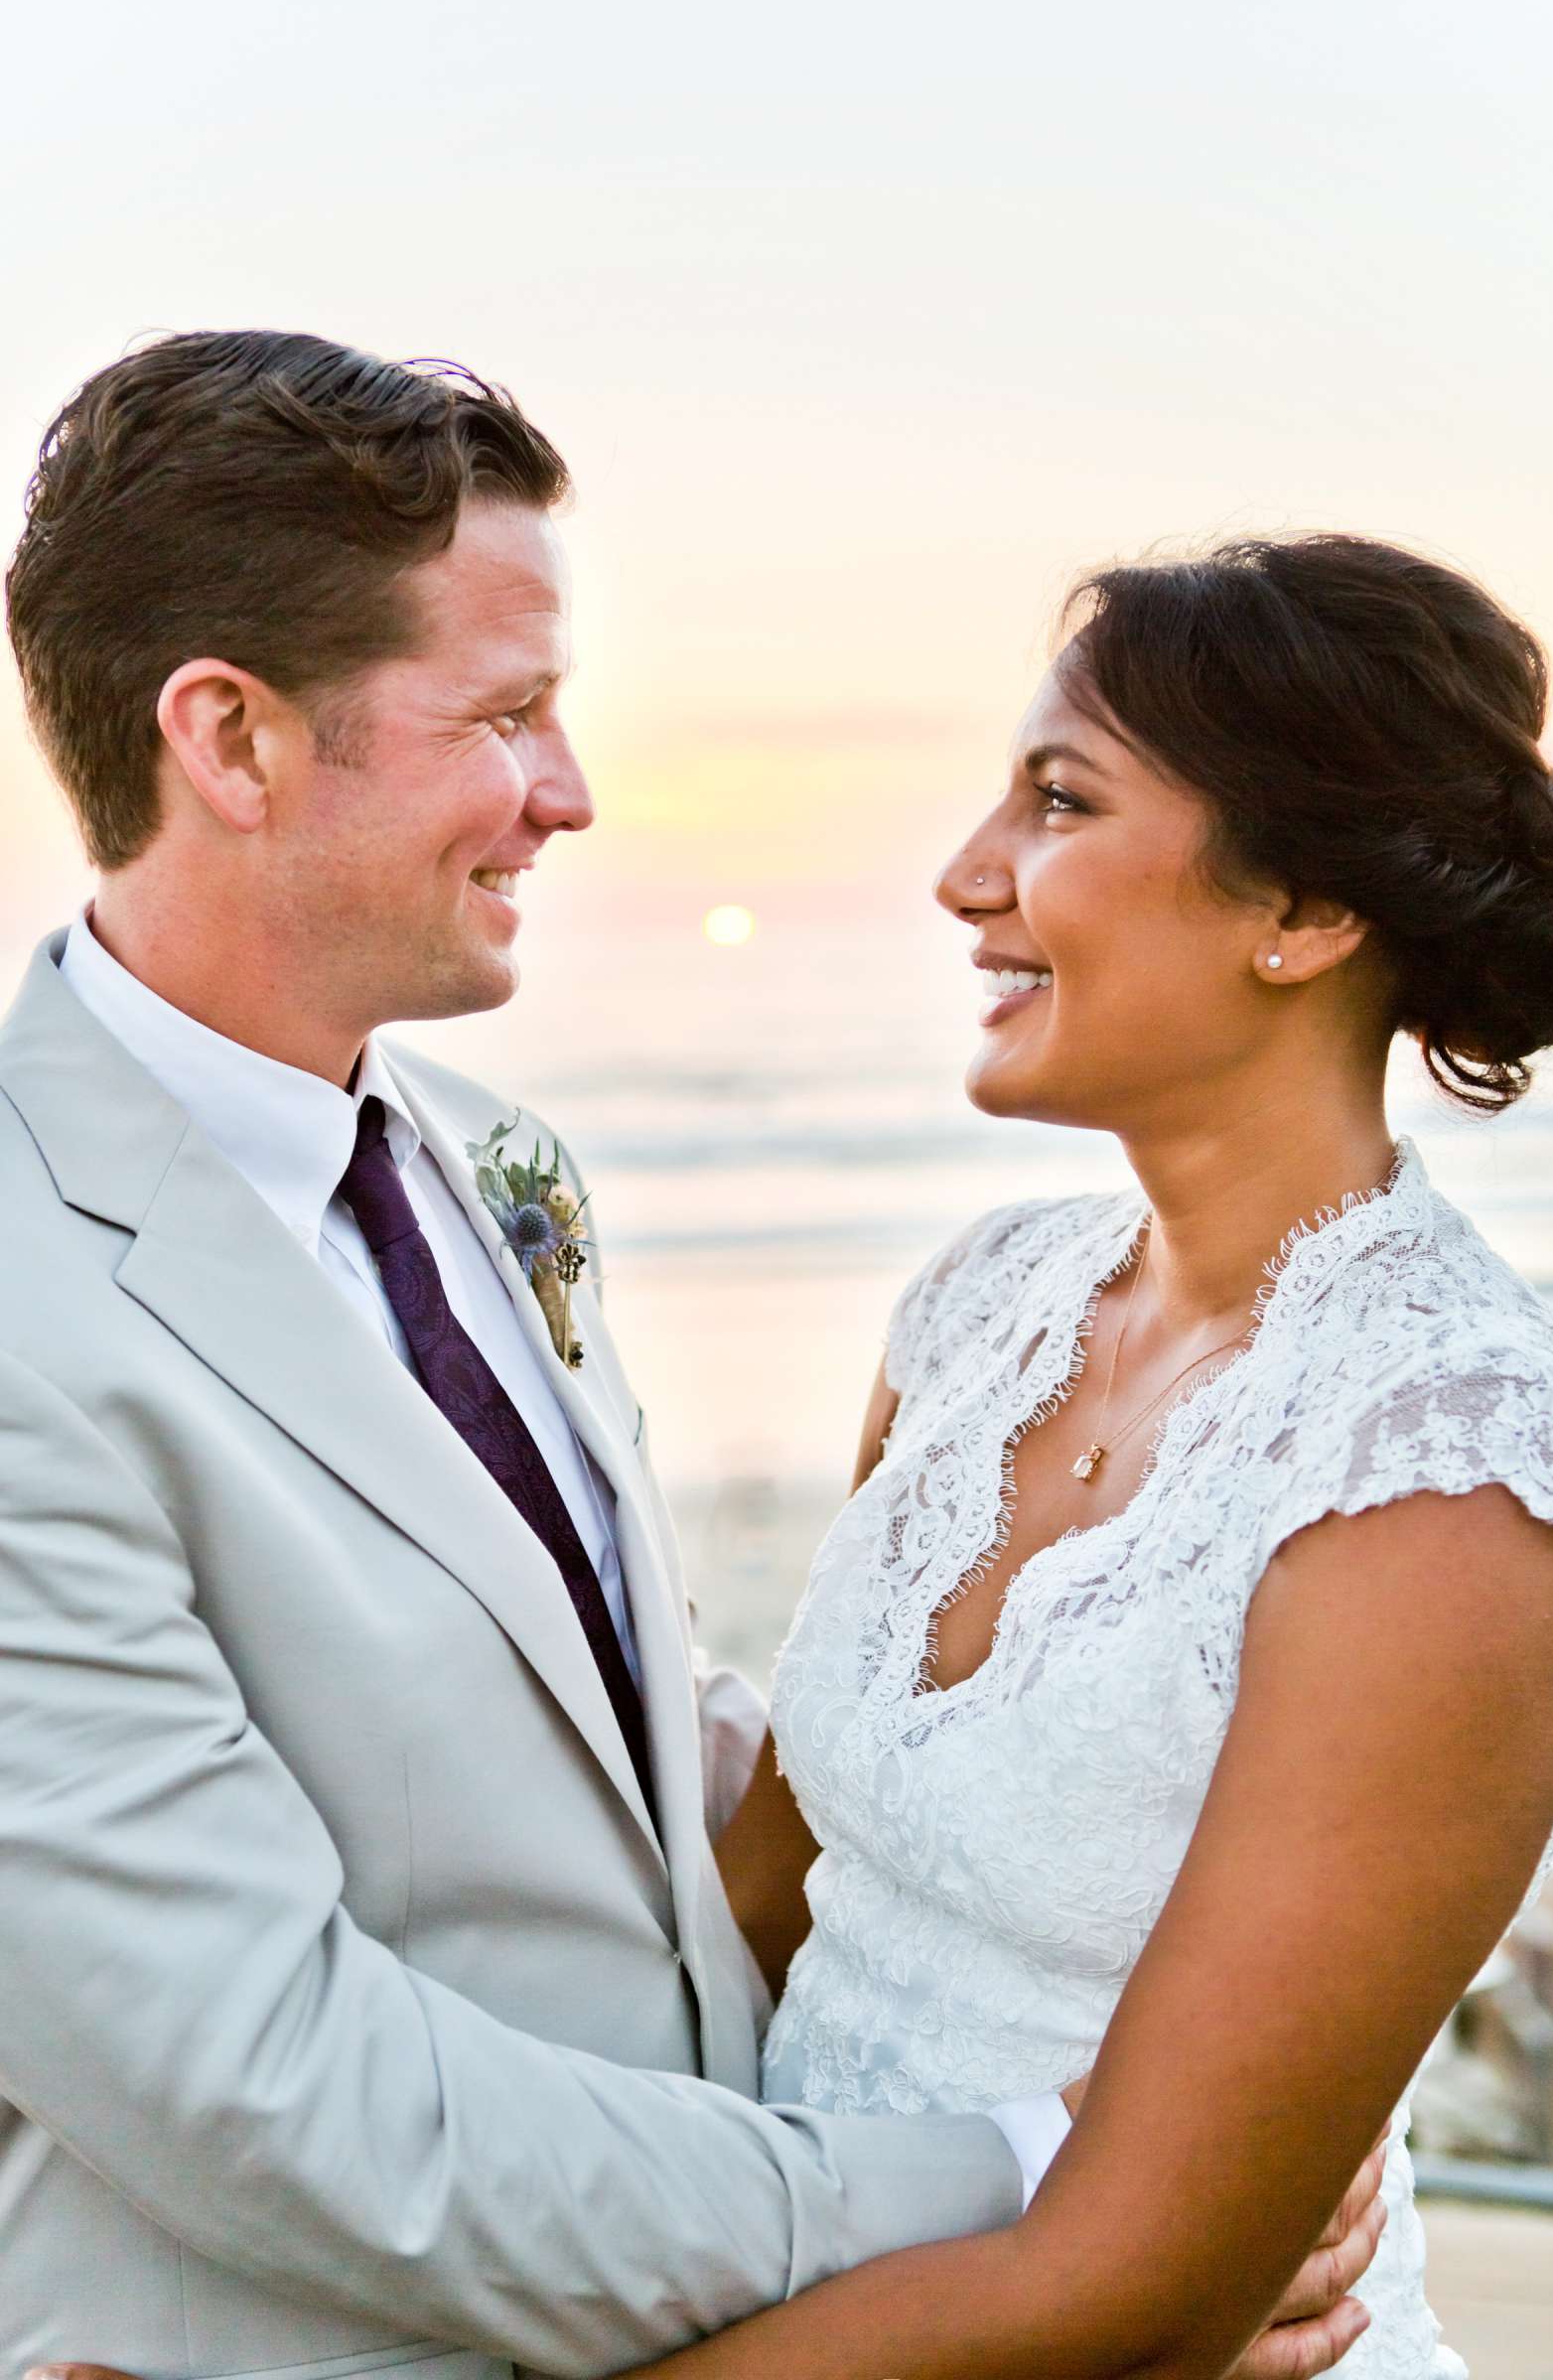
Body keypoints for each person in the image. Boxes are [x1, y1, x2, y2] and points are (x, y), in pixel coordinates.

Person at [0, 334, 1375, 2380]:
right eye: (507, 715)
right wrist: (1045, 2207)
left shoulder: (487, 1160)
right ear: (232, 738)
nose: (567, 794)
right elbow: (270, 2089)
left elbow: (594, 1714)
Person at [615, 534, 1553, 2378]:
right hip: (788, 2300)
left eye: (1056, 802)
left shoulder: (1450, 1487)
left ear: (1297, 907)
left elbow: (1139, 2285)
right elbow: (757, 1921)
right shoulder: (983, 1307)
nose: (963, 873)